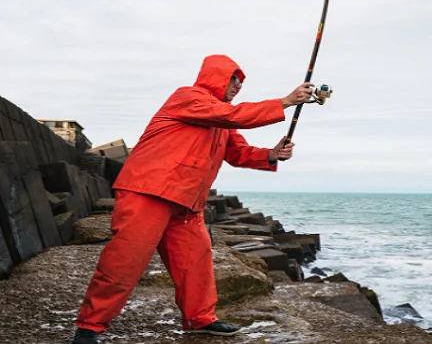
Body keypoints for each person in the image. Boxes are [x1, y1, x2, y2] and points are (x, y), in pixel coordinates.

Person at [71, 54, 314, 344]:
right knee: (124, 260)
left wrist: (270, 154)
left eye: (240, 82)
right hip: (149, 193)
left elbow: (238, 152)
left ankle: (200, 319)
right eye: (232, 79)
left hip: (187, 203)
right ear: (215, 77)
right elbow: (233, 115)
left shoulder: (222, 118)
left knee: (196, 263)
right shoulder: (189, 97)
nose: (237, 86)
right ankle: (89, 326)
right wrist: (285, 102)